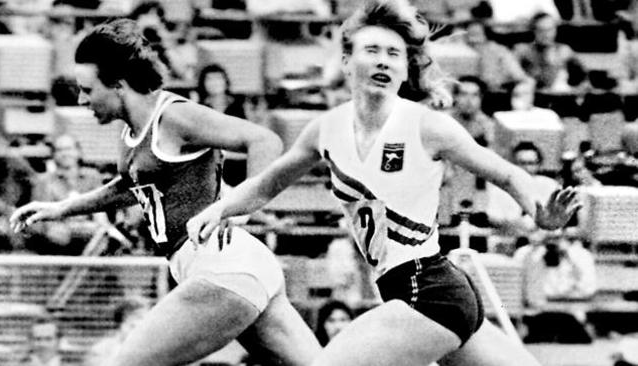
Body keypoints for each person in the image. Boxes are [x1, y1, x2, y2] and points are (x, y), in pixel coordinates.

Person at [186, 1, 580, 365]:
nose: (383, 62)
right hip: (419, 293)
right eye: (371, 51)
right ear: (345, 60)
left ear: (406, 68)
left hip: (429, 291)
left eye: (394, 54)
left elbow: (510, 174)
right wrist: (221, 208)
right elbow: (267, 185)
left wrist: (539, 210)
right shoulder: (325, 130)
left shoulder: (427, 126)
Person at [10, 19, 320, 366]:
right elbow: (130, 189)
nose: (81, 100)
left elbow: (264, 140)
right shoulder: (131, 133)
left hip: (224, 268)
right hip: (237, 270)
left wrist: (238, 207)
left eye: (87, 89)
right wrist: (59, 209)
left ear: (118, 85)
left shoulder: (173, 116)